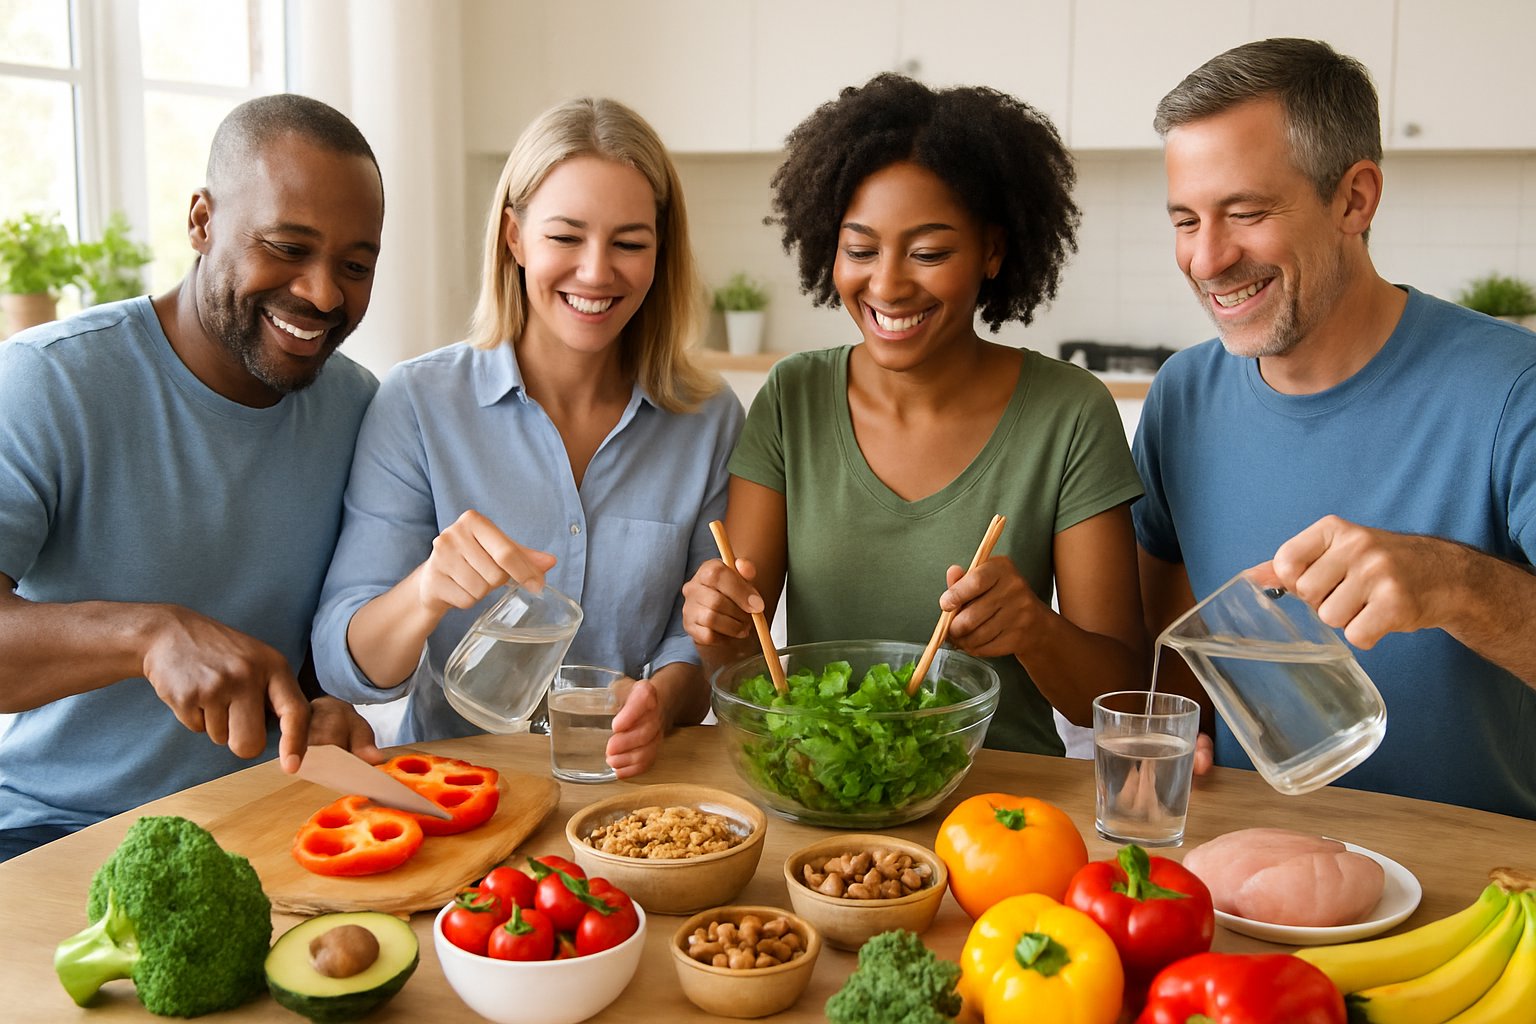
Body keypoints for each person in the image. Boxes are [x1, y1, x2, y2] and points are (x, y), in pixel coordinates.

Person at [681, 74, 1147, 754]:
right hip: (825, 799)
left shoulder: (1069, 413)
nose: (889, 285)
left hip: (1003, 810)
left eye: (929, 253)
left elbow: (1122, 700)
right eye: (861, 250)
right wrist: (716, 625)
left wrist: (1036, 631)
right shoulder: (792, 399)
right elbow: (742, 677)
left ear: (992, 250)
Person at [1136, 38, 1536, 818]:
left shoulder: (1512, 391)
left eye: (1246, 213)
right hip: (1247, 873)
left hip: (1481, 882)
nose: (1208, 258)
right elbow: (1167, 621)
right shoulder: (1181, 396)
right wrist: (1185, 730)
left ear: (1355, 199)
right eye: (1187, 220)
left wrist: (1455, 585)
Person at [0, 94, 387, 861]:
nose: (322, 294)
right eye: (286, 246)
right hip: (56, 829)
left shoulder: (358, 406)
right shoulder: (48, 382)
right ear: (203, 221)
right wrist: (147, 635)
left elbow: (313, 647)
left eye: (355, 266)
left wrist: (325, 706)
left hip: (271, 823)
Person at [311, 97, 743, 776]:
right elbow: (348, 666)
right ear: (514, 236)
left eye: (629, 242)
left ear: (661, 252)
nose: (597, 272)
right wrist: (427, 588)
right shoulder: (419, 404)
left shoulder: (708, 419)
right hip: (456, 790)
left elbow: (688, 652)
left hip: (626, 801)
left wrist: (660, 700)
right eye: (565, 237)